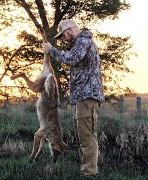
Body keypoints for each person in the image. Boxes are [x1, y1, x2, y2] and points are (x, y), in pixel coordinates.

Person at [41, 19, 105, 178]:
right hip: (82, 98)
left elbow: (71, 58)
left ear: (69, 30)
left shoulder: (83, 41)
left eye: (63, 35)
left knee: (87, 138)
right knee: (85, 136)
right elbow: (76, 62)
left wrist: (51, 50)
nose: (63, 38)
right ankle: (88, 172)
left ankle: (88, 174)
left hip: (86, 97)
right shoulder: (82, 43)